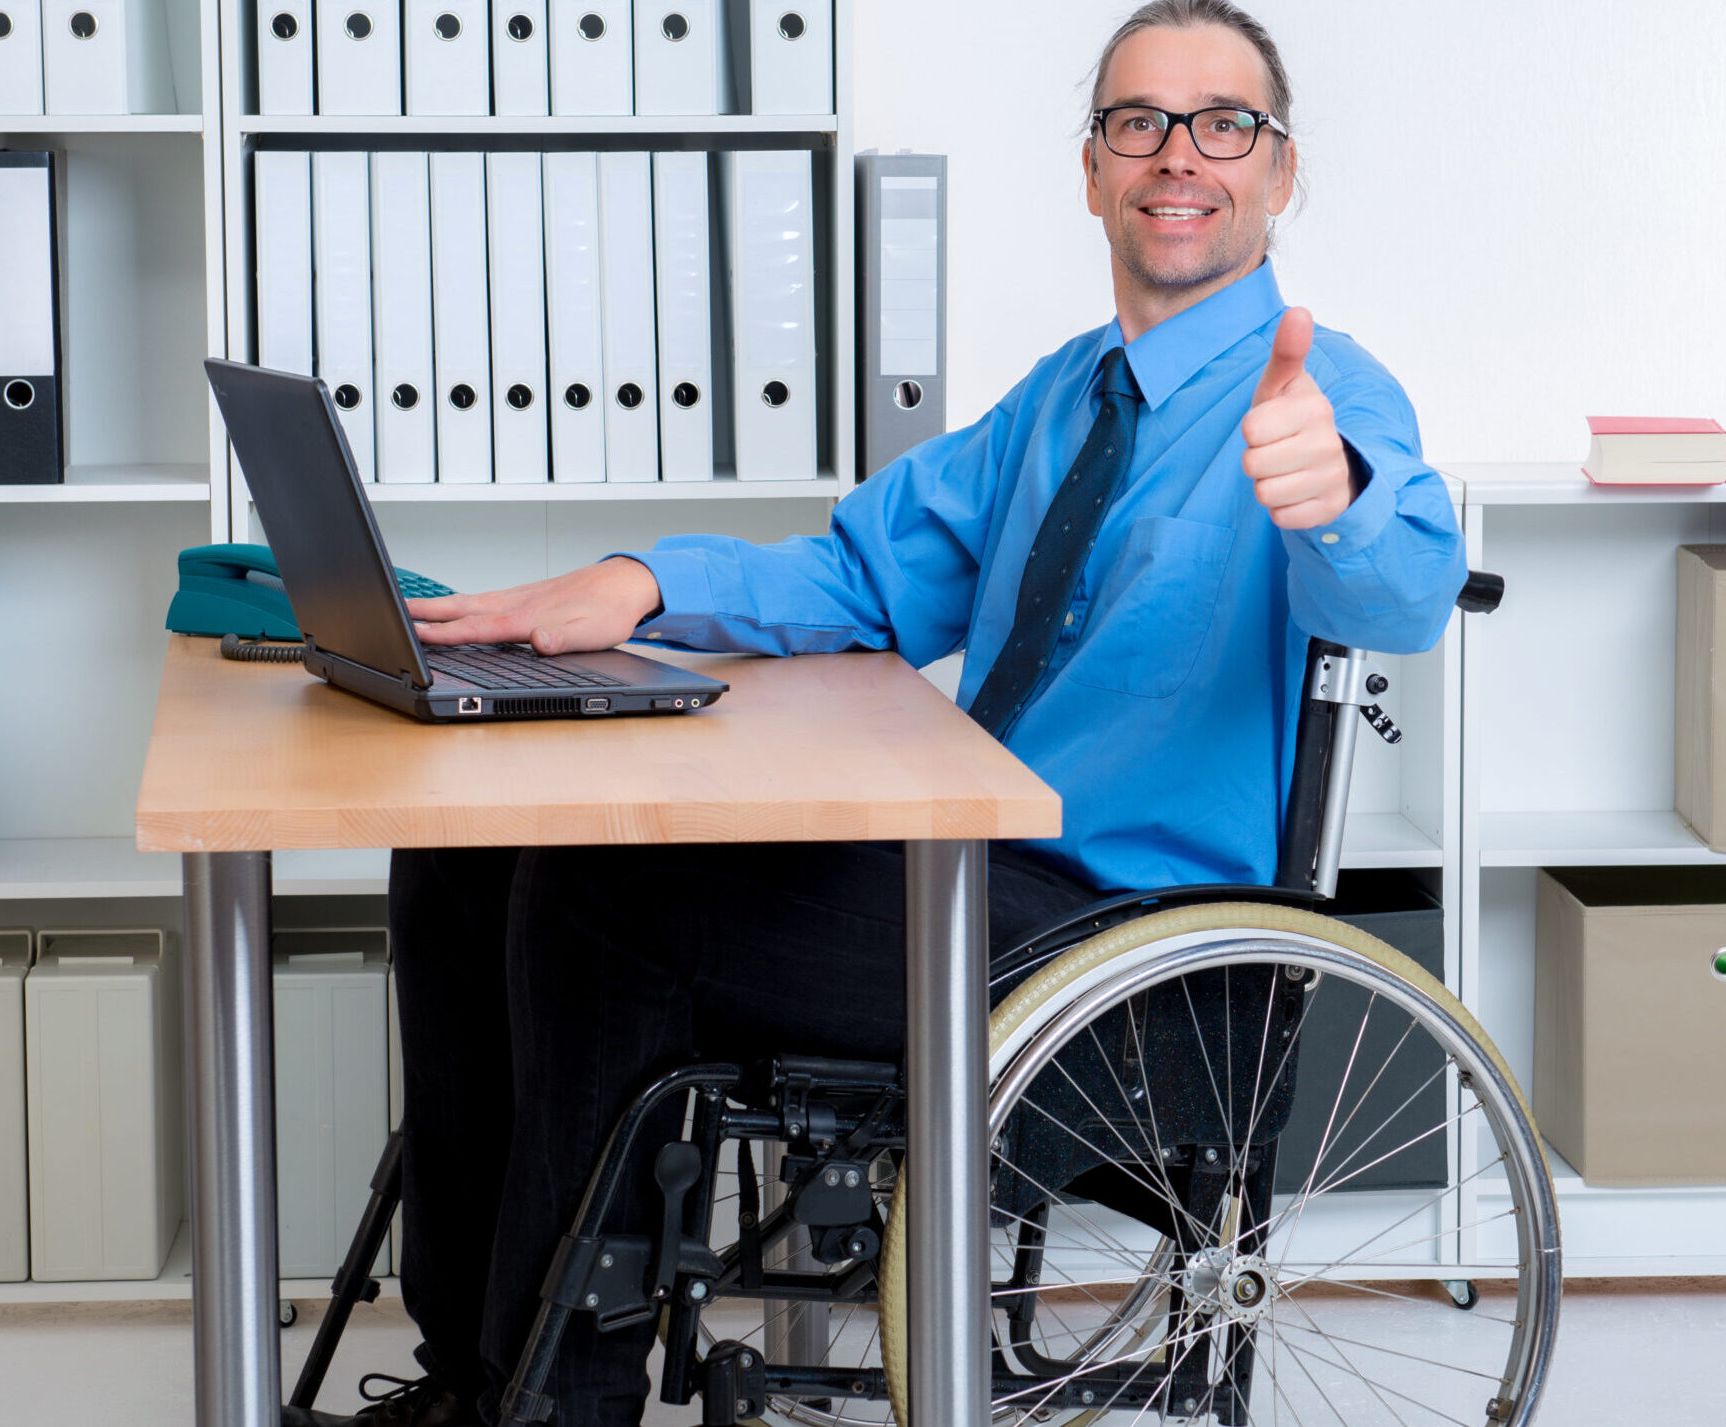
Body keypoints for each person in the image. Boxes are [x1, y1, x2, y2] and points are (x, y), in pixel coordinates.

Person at [298, 3, 1467, 1424]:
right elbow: (866, 570)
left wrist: (1336, 493)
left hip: (1130, 958)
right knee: (469, 854)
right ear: (1091, 168)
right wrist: (633, 583)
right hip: (989, 885)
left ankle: (558, 1402)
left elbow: (1407, 590)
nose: (1180, 155)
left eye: (1226, 124)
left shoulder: (1323, 393)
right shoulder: (1068, 399)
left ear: (1280, 174)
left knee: (599, 896)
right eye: (1138, 122)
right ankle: (468, 1371)